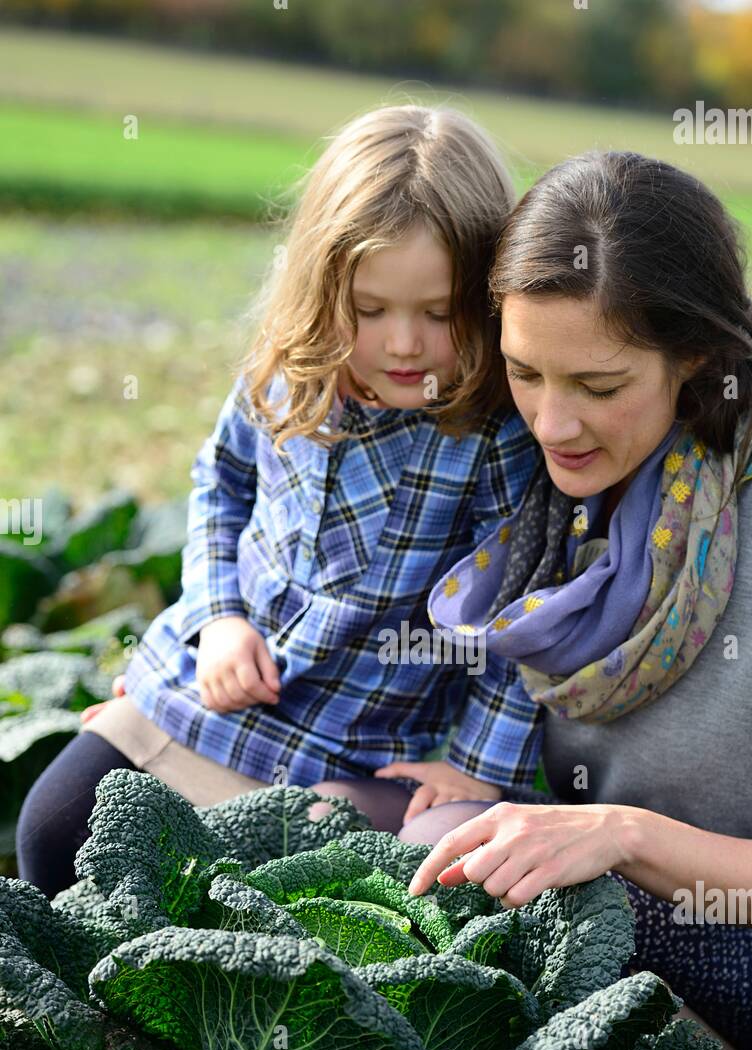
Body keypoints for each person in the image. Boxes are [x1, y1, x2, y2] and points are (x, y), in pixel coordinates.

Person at [388, 150, 752, 1050]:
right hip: (630, 907)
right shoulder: (552, 493)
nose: (553, 421)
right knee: (385, 834)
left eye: (597, 386)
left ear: (695, 355)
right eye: (525, 374)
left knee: (509, 869)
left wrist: (618, 833)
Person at [14, 104, 547, 900]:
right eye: (369, 310)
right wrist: (218, 617)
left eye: (437, 314)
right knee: (53, 827)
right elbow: (220, 486)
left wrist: (477, 763)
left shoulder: (490, 434)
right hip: (214, 692)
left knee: (254, 901)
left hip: (359, 745)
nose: (402, 343)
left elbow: (519, 611)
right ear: (322, 284)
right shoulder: (286, 371)